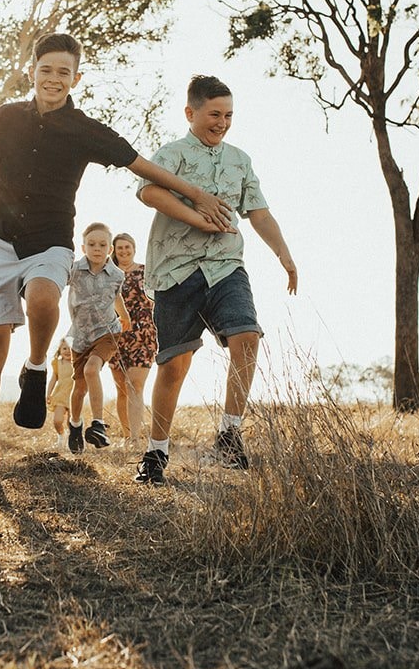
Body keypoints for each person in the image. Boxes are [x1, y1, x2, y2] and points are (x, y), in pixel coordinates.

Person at [0, 31, 232, 484]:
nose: (53, 79)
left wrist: (196, 193)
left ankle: (34, 367)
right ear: (31, 72)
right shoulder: (5, 118)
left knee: (45, 298)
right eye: (45, 70)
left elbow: (142, 166)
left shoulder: (85, 129)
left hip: (50, 241)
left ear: (76, 78)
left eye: (63, 72)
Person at [133, 75, 298, 485]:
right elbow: (148, 193)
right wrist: (197, 217)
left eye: (228, 115)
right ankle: (155, 454)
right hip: (176, 271)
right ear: (191, 113)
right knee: (174, 366)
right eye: (214, 114)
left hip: (226, 267)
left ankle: (229, 433)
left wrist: (284, 253)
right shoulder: (172, 154)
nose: (222, 122)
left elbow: (258, 212)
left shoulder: (240, 160)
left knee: (247, 336)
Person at [64, 222, 130, 454]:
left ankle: (98, 424)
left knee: (92, 370)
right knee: (79, 388)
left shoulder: (116, 275)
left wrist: (125, 317)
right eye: (92, 244)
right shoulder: (73, 271)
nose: (97, 249)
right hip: (81, 336)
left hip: (108, 332)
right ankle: (74, 424)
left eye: (103, 245)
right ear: (83, 248)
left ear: (109, 249)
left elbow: (116, 298)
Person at [108, 231, 156, 447]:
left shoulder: (146, 272)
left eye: (127, 247)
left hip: (143, 332)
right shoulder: (108, 274)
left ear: (134, 248)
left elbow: (158, 298)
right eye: (120, 248)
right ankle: (127, 436)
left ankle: (136, 439)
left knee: (134, 384)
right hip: (116, 333)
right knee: (121, 388)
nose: (124, 251)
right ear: (114, 251)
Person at [47, 339, 76, 447]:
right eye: (64, 348)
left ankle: (72, 439)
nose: (68, 351)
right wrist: (48, 393)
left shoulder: (77, 362)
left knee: (71, 422)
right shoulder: (57, 363)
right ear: (59, 350)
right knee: (57, 420)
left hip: (74, 395)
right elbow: (53, 379)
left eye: (70, 349)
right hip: (60, 395)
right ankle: (61, 435)